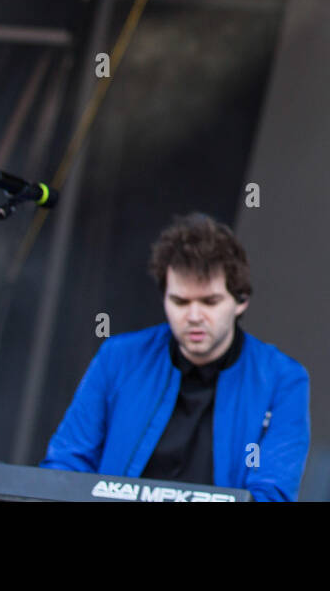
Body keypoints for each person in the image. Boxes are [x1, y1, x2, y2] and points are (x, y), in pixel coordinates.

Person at [41, 212, 310, 501]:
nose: (194, 316)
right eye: (180, 301)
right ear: (164, 298)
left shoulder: (282, 379)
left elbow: (272, 491)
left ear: (241, 301)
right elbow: (66, 465)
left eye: (210, 301)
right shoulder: (118, 358)